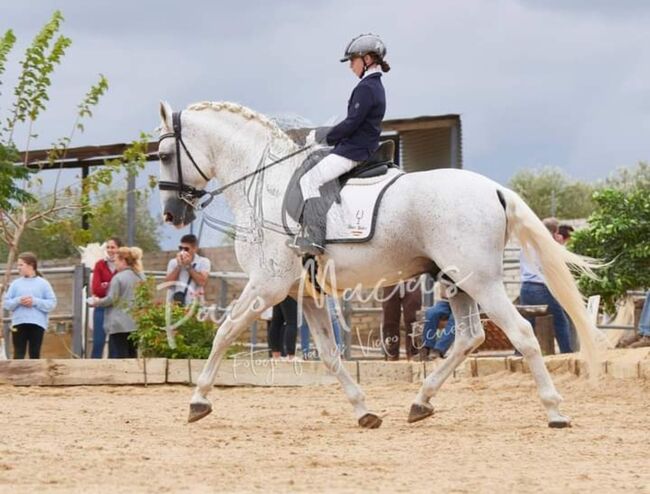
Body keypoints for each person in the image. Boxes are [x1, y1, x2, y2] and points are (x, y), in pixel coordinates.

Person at [293, 33, 390, 255]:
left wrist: (322, 137)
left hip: (354, 151)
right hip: (358, 147)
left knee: (310, 179)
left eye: (353, 60)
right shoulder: (375, 85)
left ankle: (316, 237)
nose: (350, 66)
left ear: (367, 59)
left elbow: (351, 123)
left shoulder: (367, 87)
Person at [519, 217, 573, 353]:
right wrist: (560, 245)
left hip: (526, 287)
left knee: (528, 323)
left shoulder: (528, 242)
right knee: (560, 321)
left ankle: (519, 353)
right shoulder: (546, 244)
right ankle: (567, 352)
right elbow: (559, 263)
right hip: (541, 288)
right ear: (555, 232)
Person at [90, 247, 145, 358]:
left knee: (120, 354)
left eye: (116, 260)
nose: (114, 263)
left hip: (119, 324)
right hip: (135, 323)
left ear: (123, 261)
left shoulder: (118, 278)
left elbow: (111, 299)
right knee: (132, 354)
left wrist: (97, 302)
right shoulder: (141, 277)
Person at [3, 252, 57, 359]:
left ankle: (36, 375)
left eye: (21, 265)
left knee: (34, 353)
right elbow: (6, 303)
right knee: (18, 353)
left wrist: (35, 302)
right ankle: (18, 375)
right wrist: (18, 301)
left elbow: (52, 303)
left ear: (31, 265)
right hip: (19, 322)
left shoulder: (43, 283)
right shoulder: (15, 284)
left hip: (37, 323)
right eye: (18, 265)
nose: (18, 268)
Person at [90, 237, 122, 358]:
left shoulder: (122, 266)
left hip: (117, 308)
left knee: (114, 344)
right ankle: (93, 369)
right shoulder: (100, 264)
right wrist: (112, 286)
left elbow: (121, 290)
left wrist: (106, 285)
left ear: (119, 249)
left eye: (113, 247)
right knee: (98, 342)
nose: (110, 250)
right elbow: (96, 289)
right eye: (108, 247)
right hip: (102, 307)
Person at [164, 234, 210, 307]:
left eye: (186, 249)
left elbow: (202, 282)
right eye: (180, 248)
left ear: (194, 249)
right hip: (175, 304)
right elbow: (168, 284)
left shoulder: (203, 261)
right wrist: (179, 266)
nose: (182, 251)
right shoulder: (173, 262)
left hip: (195, 305)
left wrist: (188, 266)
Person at [381, 280, 421, 361]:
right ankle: (391, 353)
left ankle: (413, 353)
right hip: (391, 276)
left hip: (411, 275)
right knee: (389, 318)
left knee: (413, 319)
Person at [420, 283, 456, 360]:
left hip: (465, 301)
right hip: (446, 301)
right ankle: (427, 347)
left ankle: (439, 349)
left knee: (455, 319)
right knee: (431, 313)